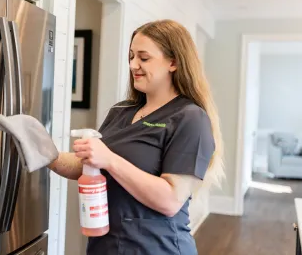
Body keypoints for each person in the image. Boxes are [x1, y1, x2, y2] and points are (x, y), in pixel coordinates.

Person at [49, 19, 224, 255]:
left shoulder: (190, 118)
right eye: (131, 56)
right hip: (107, 246)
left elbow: (170, 200)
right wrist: (44, 152)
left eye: (143, 58)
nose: (133, 65)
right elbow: (88, 166)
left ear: (173, 62)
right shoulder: (121, 111)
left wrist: (110, 159)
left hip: (155, 248)